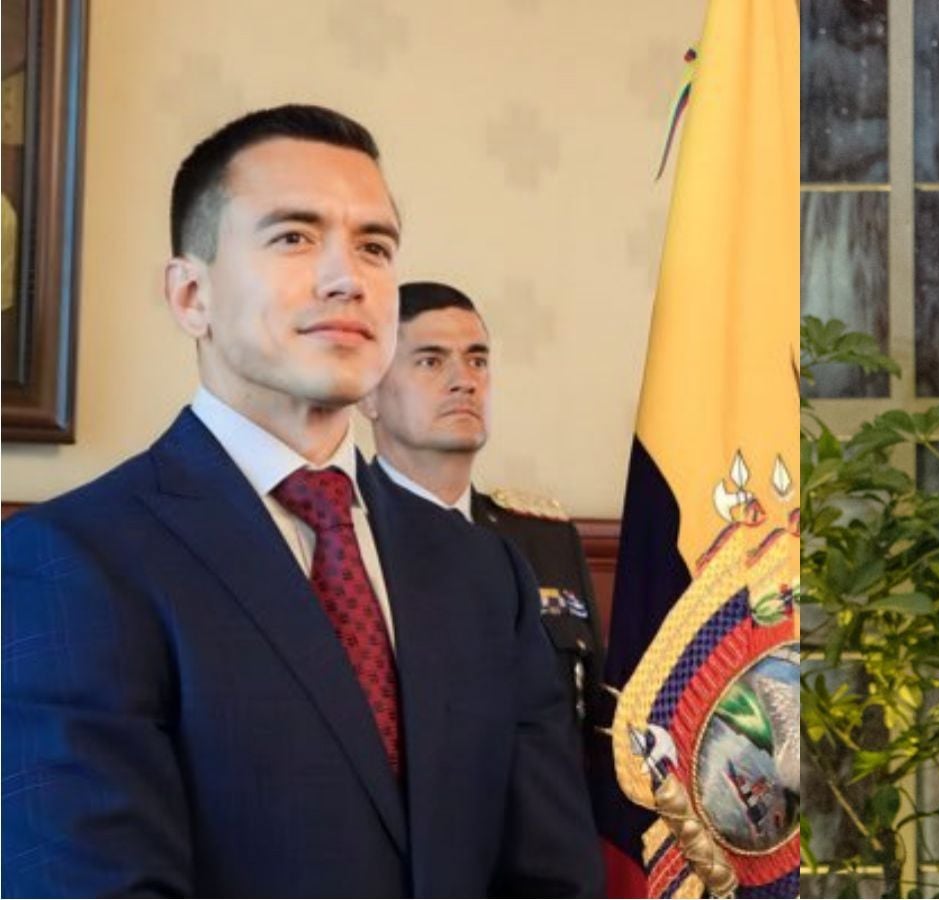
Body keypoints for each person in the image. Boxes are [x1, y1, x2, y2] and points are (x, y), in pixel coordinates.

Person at [1, 105, 602, 897]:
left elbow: (554, 878)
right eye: (293, 237)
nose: (348, 279)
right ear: (191, 295)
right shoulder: (70, 564)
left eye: (375, 247)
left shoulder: (485, 571)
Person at [358, 280, 606, 745]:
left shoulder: (545, 538)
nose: (465, 381)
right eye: (431, 361)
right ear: (368, 393)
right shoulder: (346, 537)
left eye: (477, 361)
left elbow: (593, 722)